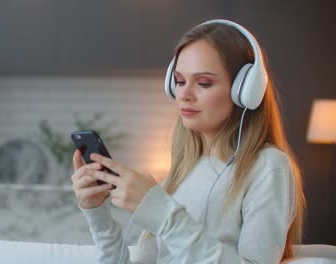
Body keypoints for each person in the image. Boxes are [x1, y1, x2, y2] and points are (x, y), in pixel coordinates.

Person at [70, 19, 306, 264]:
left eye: (203, 83)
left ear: (244, 90)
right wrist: (97, 212)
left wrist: (161, 212)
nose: (183, 94)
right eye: (180, 81)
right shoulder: (182, 171)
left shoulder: (268, 166)